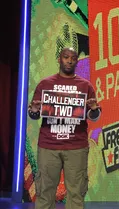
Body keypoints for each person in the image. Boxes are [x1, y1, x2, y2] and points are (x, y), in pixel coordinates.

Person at [28, 47, 101, 209]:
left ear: (76, 61)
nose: (69, 60)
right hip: (49, 146)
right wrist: (33, 110)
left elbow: (93, 116)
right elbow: (34, 114)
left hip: (76, 147)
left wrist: (94, 109)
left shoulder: (85, 86)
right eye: (66, 57)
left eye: (73, 58)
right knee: (45, 192)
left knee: (76, 194)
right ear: (59, 59)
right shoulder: (45, 84)